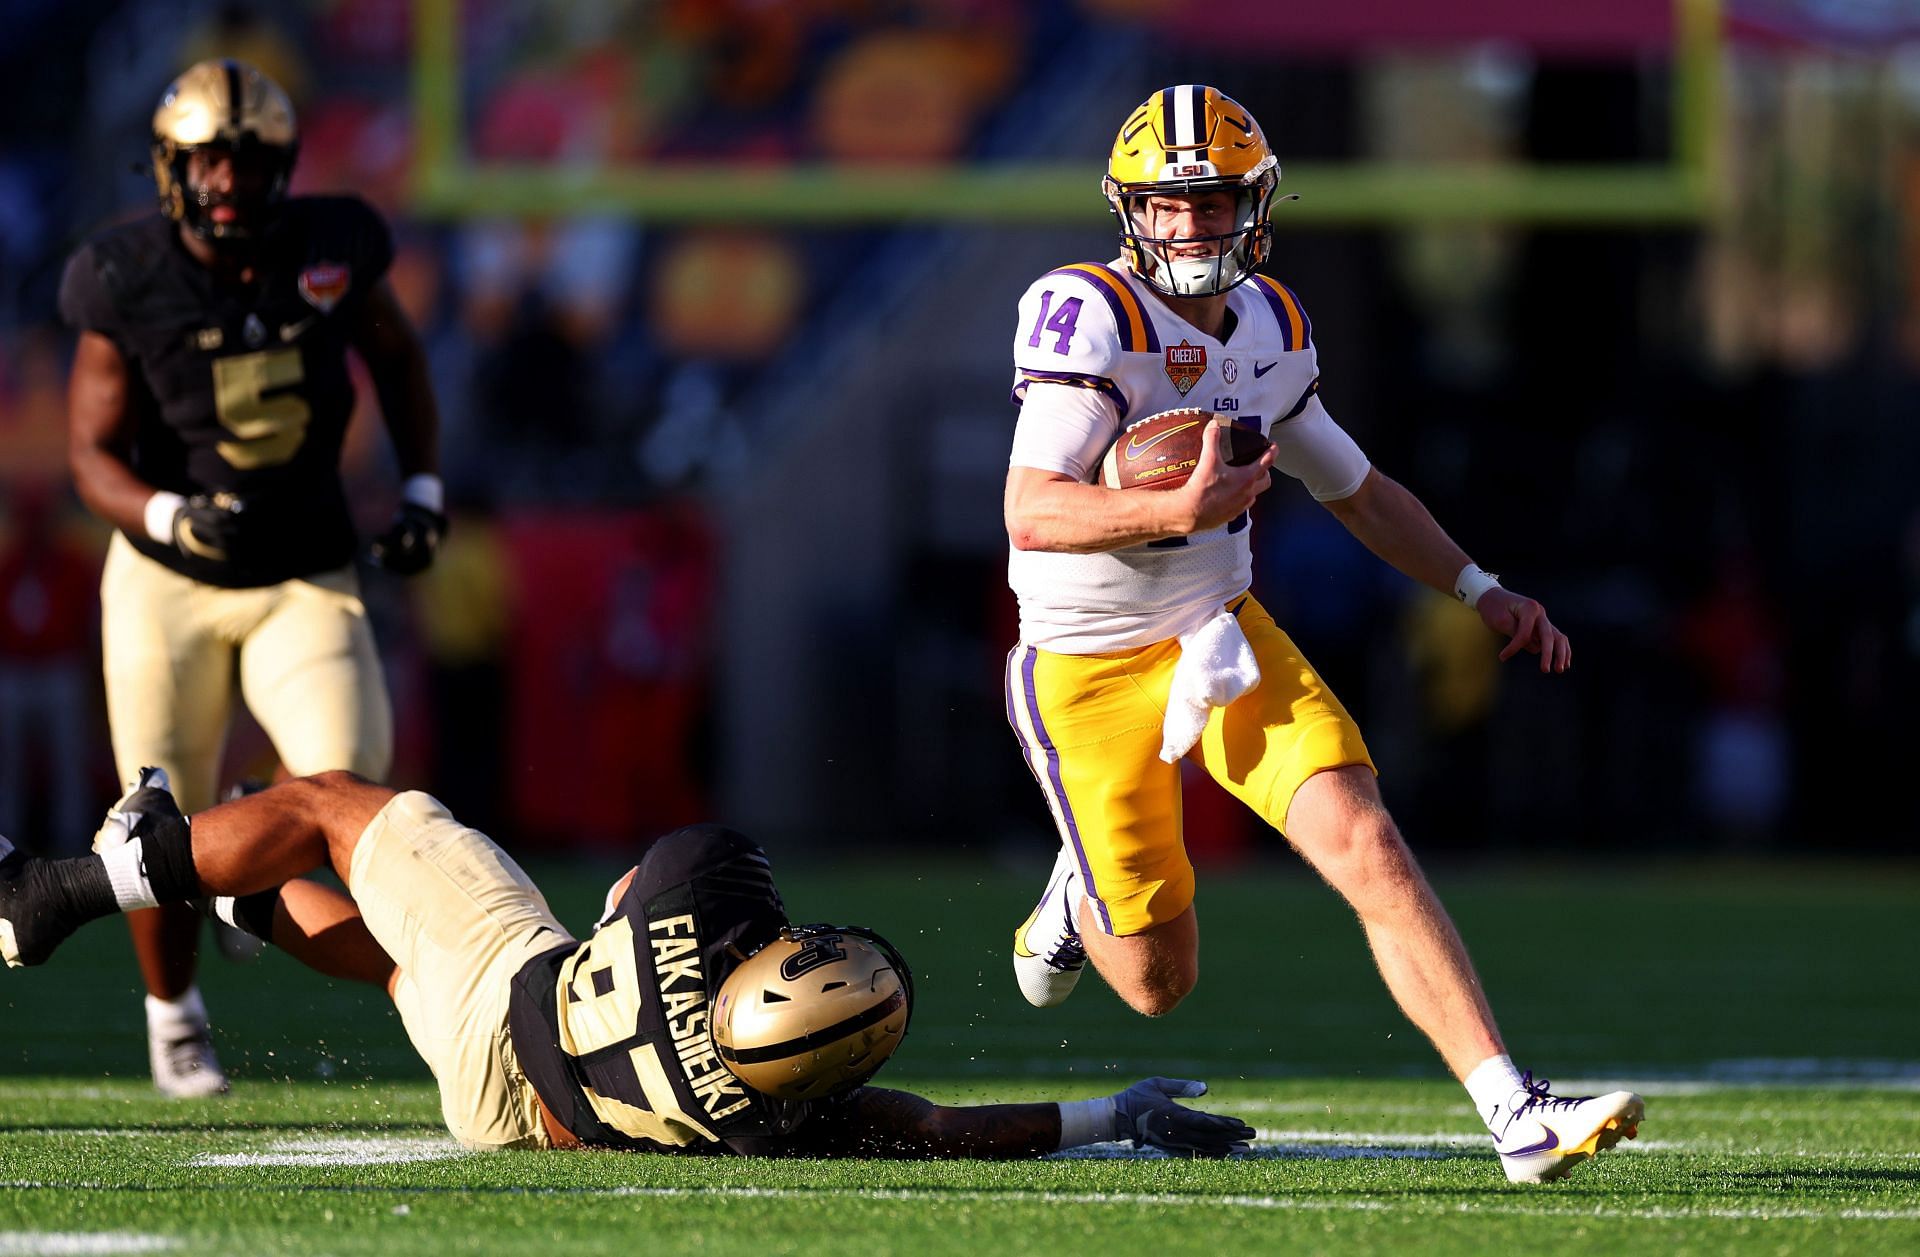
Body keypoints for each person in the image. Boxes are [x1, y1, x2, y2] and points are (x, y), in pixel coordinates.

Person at [1001, 84, 1643, 1184]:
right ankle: (1072, 896)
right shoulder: (1089, 312)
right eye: (1170, 204)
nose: (1193, 225)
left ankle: (1516, 1114)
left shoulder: (1273, 325)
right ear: (1129, 210)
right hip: (1084, 669)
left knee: (1366, 839)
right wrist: (1172, 511)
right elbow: (1030, 508)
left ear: (1257, 204)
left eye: (1213, 202)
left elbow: (1359, 491)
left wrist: (1480, 587)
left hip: (1217, 631)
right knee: (1159, 983)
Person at [0, 770, 1256, 1160]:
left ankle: (73, 887)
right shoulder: (782, 1119)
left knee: (343, 805)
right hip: (510, 1119)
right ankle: (256, 913)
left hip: (519, 989)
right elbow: (936, 1126)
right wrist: (1110, 1118)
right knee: (398, 967)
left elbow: (622, 898)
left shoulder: (696, 888)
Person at [58, 59, 447, 1097]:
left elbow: (398, 363)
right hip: (163, 577)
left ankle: (247, 874)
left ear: (283, 164)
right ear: (169, 168)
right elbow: (92, 453)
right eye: (207, 158)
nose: (227, 179)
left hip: (302, 568)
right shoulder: (123, 274)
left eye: (246, 157)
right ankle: (172, 1011)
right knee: (151, 810)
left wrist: (421, 488)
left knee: (350, 792)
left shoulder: (331, 246)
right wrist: (166, 512)